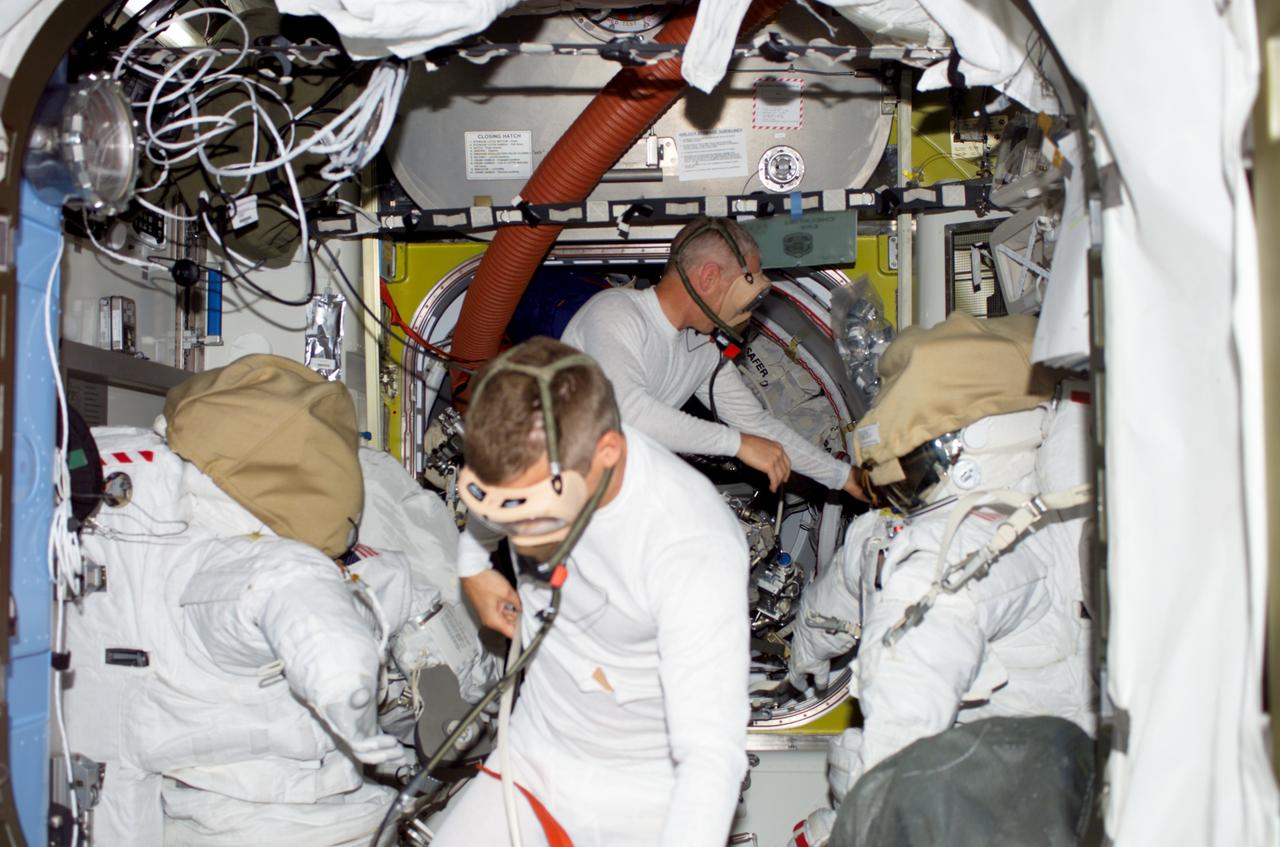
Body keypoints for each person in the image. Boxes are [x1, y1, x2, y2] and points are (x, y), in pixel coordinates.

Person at [62, 355, 442, 846]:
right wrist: (350, 689)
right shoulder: (233, 566)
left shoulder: (130, 506)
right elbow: (280, 590)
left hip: (153, 782)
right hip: (275, 819)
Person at [785, 312, 1094, 846]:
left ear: (958, 447)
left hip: (991, 809)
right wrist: (806, 654)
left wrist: (831, 834)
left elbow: (898, 766)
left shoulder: (949, 559)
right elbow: (838, 595)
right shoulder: (1026, 521)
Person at [430, 337, 751, 847]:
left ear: (606, 453)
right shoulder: (524, 464)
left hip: (648, 795)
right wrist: (474, 566)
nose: (521, 540)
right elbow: (491, 507)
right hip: (534, 759)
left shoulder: (691, 543)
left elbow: (711, 756)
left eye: (537, 516)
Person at [561, 216, 864, 499]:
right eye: (750, 287)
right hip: (555, 496)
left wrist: (845, 477)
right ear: (708, 277)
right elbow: (623, 413)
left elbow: (756, 424)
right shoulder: (616, 313)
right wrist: (737, 444)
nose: (752, 307)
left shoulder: (700, 347)